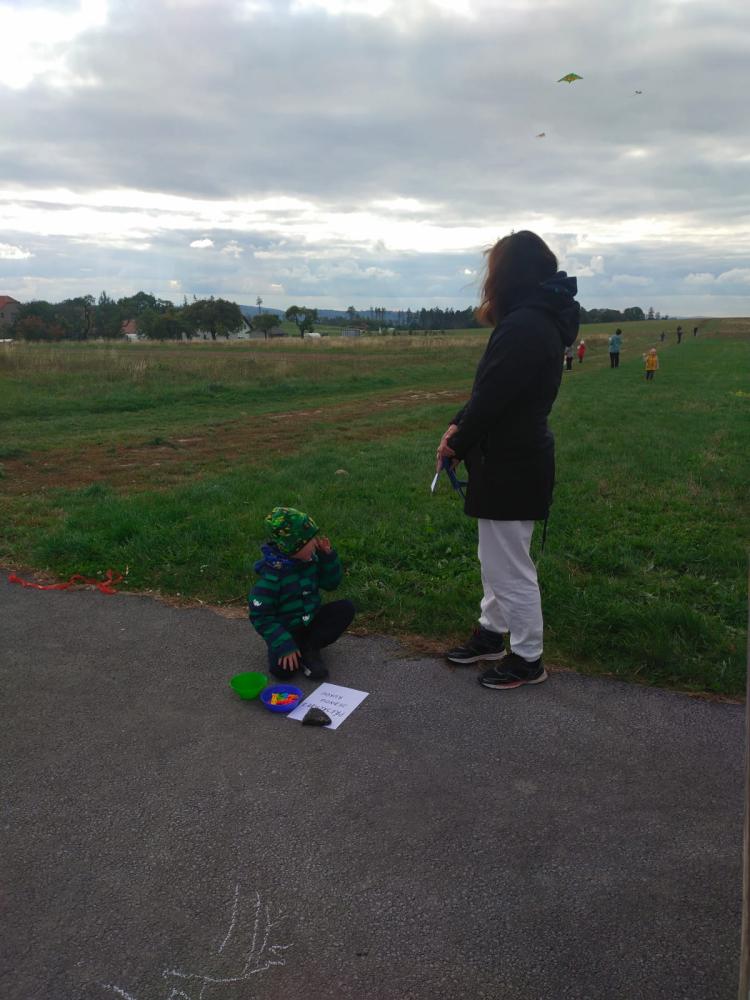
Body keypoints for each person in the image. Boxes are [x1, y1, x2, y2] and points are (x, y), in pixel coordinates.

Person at [435, 230, 579, 690]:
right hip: (508, 458)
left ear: (508, 275)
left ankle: (528, 657)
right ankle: (492, 633)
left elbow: (492, 399)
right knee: (495, 558)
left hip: (512, 462)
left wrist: (456, 442)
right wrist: (457, 427)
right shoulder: (532, 320)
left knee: (510, 567)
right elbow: (490, 391)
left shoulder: (525, 326)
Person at [249, 507, 354, 680]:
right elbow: (261, 617)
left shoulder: (311, 561)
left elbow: (331, 584)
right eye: (310, 540)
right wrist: (284, 644)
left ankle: (310, 648)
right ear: (294, 546)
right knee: (282, 672)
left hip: (312, 621)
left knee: (345, 608)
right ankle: (295, 649)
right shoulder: (271, 578)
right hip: (287, 631)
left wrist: (327, 557)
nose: (315, 543)